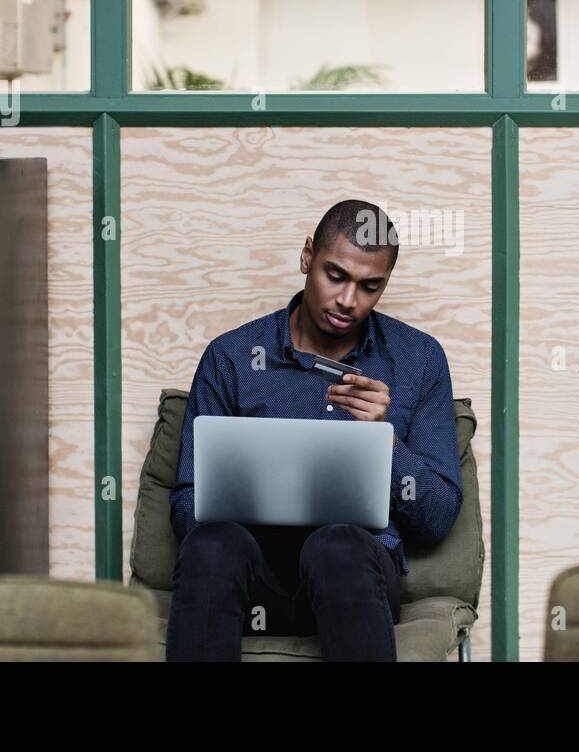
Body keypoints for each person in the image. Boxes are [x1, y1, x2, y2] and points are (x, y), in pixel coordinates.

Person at [166, 199, 463, 662]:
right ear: (307, 257)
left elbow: (439, 518)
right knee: (212, 544)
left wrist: (383, 441)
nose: (348, 301)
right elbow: (186, 505)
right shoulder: (231, 357)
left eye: (370, 286)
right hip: (249, 587)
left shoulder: (418, 359)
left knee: (338, 544)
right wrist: (246, 498)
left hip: (352, 586)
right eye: (336, 275)